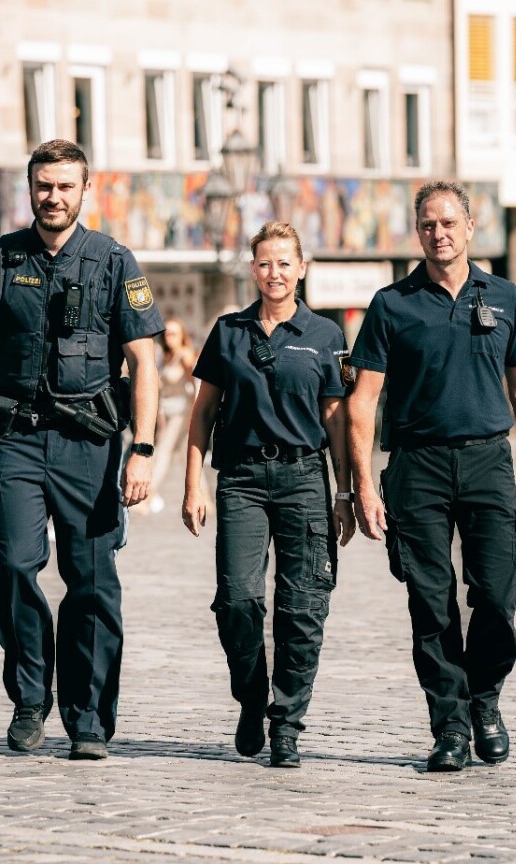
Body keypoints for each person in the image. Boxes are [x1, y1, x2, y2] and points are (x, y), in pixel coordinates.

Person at [0, 139, 163, 761]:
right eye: (44, 185)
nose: (54, 196)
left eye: (66, 186)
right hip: (12, 440)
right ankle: (28, 698)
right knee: (14, 566)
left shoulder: (114, 261)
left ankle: (88, 718)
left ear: (84, 190)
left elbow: (143, 361)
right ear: (30, 188)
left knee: (91, 582)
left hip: (89, 443)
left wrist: (142, 448)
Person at [346, 180, 516, 772]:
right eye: (428, 225)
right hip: (417, 466)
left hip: (489, 461)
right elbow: (364, 401)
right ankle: (450, 728)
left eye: (449, 223)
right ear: (419, 233)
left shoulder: (504, 296)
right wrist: (363, 484)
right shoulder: (393, 304)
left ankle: (485, 700)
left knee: (494, 594)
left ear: (469, 227)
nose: (439, 233)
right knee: (430, 603)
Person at [182, 222, 355, 769]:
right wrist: (192, 484)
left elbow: (335, 418)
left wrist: (345, 492)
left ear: (301, 268)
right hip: (241, 480)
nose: (274, 273)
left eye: (284, 262)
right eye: (264, 263)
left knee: (302, 607)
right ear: (251, 269)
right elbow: (203, 411)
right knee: (238, 600)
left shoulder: (325, 335)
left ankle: (287, 723)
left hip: (305, 479)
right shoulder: (228, 331)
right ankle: (251, 696)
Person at [143, 317, 197, 514]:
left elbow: (196, 384)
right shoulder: (167, 357)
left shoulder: (185, 356)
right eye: (167, 334)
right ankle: (204, 498)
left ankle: (148, 494)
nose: (169, 338)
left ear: (182, 336)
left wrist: (198, 414)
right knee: (186, 455)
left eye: (174, 334)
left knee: (162, 452)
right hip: (167, 411)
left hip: (182, 413)